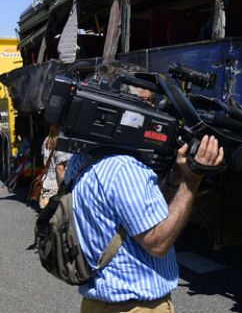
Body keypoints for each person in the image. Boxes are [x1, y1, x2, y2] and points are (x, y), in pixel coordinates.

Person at [63, 64, 224, 313]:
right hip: (135, 307)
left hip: (98, 304)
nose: (153, 111)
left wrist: (174, 178)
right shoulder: (123, 168)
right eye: (147, 103)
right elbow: (157, 242)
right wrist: (191, 182)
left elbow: (137, 213)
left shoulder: (83, 157)